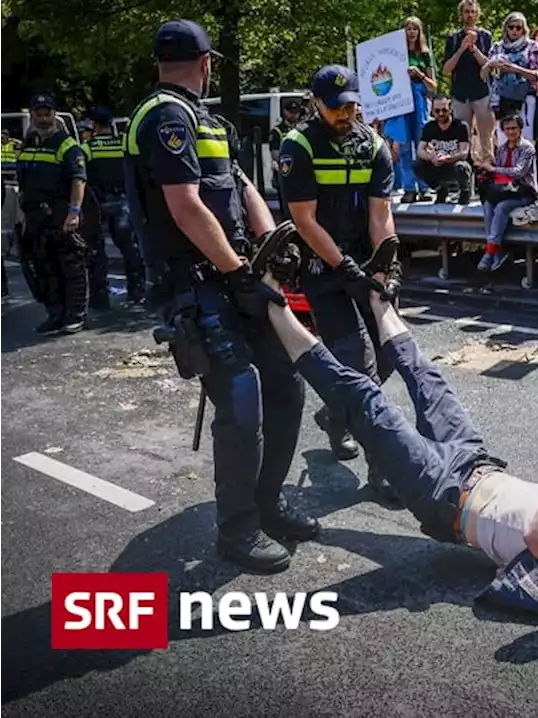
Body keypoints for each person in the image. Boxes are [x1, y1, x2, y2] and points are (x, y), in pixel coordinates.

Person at [251, 248, 538, 612]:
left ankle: (269, 301)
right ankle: (375, 294)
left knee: (364, 399)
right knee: (427, 375)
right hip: (473, 460)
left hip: (441, 493)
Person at [124, 19, 316, 571]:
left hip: (235, 275)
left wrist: (272, 240)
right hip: (197, 284)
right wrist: (237, 273)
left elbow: (241, 185)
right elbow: (185, 205)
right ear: (207, 64)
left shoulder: (208, 119)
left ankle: (267, 501)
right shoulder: (165, 116)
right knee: (240, 401)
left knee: (285, 385)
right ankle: (237, 530)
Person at [278, 65, 400, 493]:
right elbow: (304, 221)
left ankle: (335, 412)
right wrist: (343, 267)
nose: (345, 113)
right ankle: (383, 469)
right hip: (323, 269)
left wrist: (384, 267)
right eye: (335, 108)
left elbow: (380, 214)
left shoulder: (373, 145)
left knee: (389, 356)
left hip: (366, 264)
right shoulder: (298, 147)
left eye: (351, 104)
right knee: (357, 365)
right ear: (315, 104)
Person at [15, 93, 88, 335]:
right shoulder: (28, 145)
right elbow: (23, 183)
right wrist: (23, 215)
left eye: (48, 113)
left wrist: (74, 212)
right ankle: (55, 314)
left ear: (54, 114)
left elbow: (79, 180)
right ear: (33, 115)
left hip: (59, 212)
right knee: (43, 266)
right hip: (34, 215)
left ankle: (75, 316)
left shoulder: (66, 144)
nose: (44, 118)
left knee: (71, 266)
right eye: (39, 113)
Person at [84, 106, 145, 307]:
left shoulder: (88, 148)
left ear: (94, 125)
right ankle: (137, 291)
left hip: (97, 203)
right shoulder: (123, 144)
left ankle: (100, 296)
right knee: (130, 248)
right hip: (124, 201)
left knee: (96, 249)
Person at [477, 114, 538, 271]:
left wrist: (494, 169)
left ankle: (490, 252)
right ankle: (495, 252)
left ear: (520, 129)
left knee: (502, 207)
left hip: (524, 191)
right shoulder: (502, 149)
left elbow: (519, 172)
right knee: (488, 204)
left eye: (514, 128)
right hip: (505, 189)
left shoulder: (527, 147)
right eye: (508, 129)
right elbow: (500, 174)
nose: (511, 132)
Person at [444, 0, 497, 166]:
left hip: (481, 93)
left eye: (473, 11)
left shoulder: (485, 36)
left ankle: (487, 172)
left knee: (486, 137)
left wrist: (474, 48)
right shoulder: (453, 38)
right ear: (461, 14)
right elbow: (446, 69)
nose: (470, 15)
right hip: (460, 94)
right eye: (466, 12)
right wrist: (461, 48)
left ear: (478, 14)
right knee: (461, 136)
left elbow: (489, 65)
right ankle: (462, 173)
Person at [394, 16, 440, 202]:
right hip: (401, 102)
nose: (411, 32)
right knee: (404, 146)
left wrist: (420, 75)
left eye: (415, 28)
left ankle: (424, 186)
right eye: (408, 28)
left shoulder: (425, 54)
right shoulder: (395, 54)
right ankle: (408, 188)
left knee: (422, 144)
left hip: (420, 101)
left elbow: (433, 86)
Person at [483, 12, 538, 148]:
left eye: (518, 28)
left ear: (524, 29)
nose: (515, 31)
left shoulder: (532, 47)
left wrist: (515, 69)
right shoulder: (497, 47)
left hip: (526, 99)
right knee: (504, 141)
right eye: (511, 27)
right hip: (502, 99)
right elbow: (486, 74)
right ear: (506, 28)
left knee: (527, 142)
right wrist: (491, 66)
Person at [417, 96, 475, 204]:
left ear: (450, 109)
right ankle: (440, 190)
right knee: (417, 165)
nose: (440, 113)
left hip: (454, 165)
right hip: (437, 165)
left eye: (444, 110)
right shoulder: (429, 127)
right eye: (437, 111)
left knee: (461, 167)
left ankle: (465, 192)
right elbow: (420, 150)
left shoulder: (461, 126)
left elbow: (464, 153)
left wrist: (447, 158)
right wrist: (431, 157)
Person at [269, 100, 303, 198]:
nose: (293, 115)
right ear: (285, 112)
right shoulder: (277, 131)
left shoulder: (301, 129)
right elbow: (275, 155)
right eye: (291, 112)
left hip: (300, 174)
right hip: (284, 173)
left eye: (296, 112)